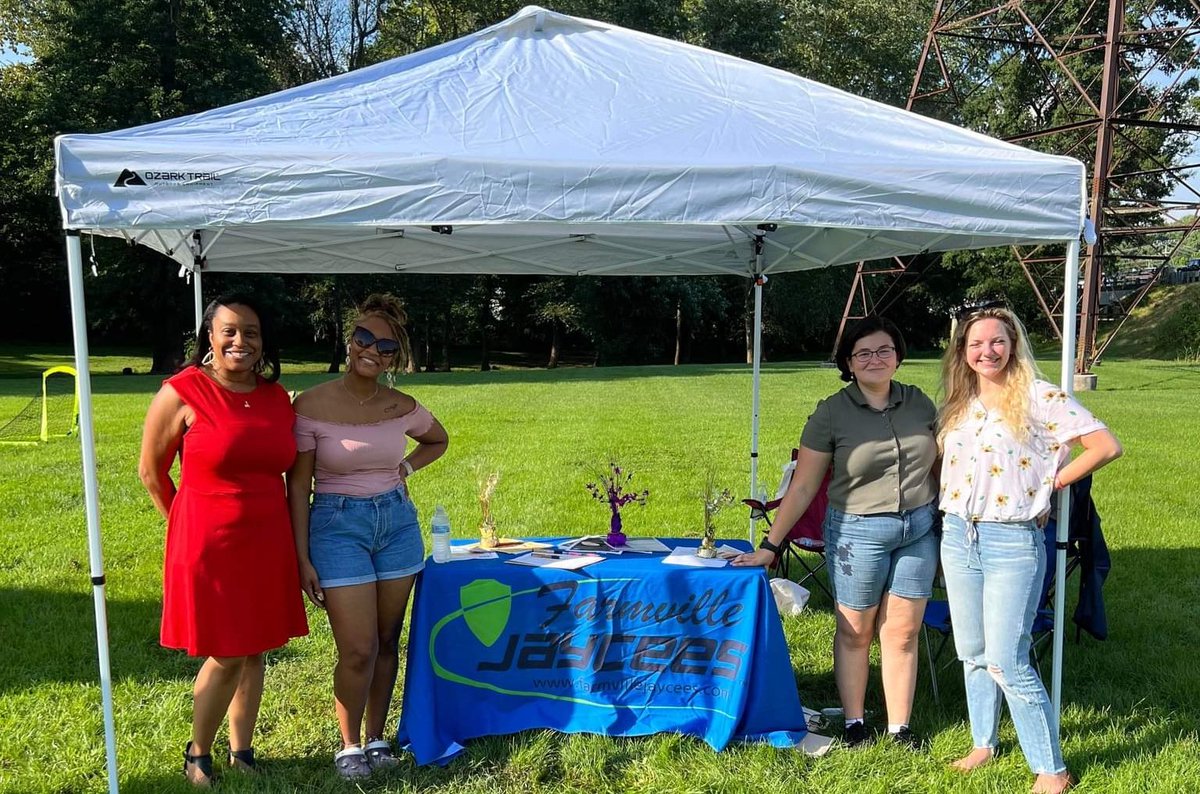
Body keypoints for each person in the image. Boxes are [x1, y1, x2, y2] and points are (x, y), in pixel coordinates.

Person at [938, 306, 1121, 794]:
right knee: (972, 651)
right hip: (957, 534)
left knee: (1007, 659)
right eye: (976, 343)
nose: (987, 351)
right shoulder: (960, 401)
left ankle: (1051, 769)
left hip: (1012, 540)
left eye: (997, 341)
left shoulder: (1040, 397)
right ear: (962, 351)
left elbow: (1106, 446)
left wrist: (1052, 482)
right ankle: (983, 743)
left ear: (1013, 344)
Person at [733, 315, 938, 748]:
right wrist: (771, 545)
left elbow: (941, 463)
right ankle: (855, 722)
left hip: (918, 530)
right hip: (857, 534)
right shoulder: (831, 413)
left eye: (883, 350)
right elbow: (803, 486)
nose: (874, 359)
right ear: (848, 362)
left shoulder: (919, 403)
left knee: (902, 631)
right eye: (863, 353)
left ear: (898, 356)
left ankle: (900, 728)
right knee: (855, 630)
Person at [138, 294, 309, 786]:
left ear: (263, 341)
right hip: (209, 544)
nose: (240, 340)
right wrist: (184, 526)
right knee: (230, 649)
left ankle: (242, 751)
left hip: (267, 540)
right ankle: (197, 753)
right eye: (229, 330)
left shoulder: (276, 397)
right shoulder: (182, 390)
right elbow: (151, 472)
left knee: (255, 648)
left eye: (251, 332)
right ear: (209, 337)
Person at [287, 293, 449, 779]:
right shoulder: (310, 404)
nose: (371, 350)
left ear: (394, 358)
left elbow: (438, 439)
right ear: (349, 339)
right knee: (358, 648)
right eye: (363, 338)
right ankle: (349, 744)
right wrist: (302, 557)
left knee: (386, 639)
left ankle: (377, 738)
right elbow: (298, 485)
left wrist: (406, 468)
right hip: (336, 528)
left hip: (397, 525)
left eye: (385, 346)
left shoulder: (401, 405)